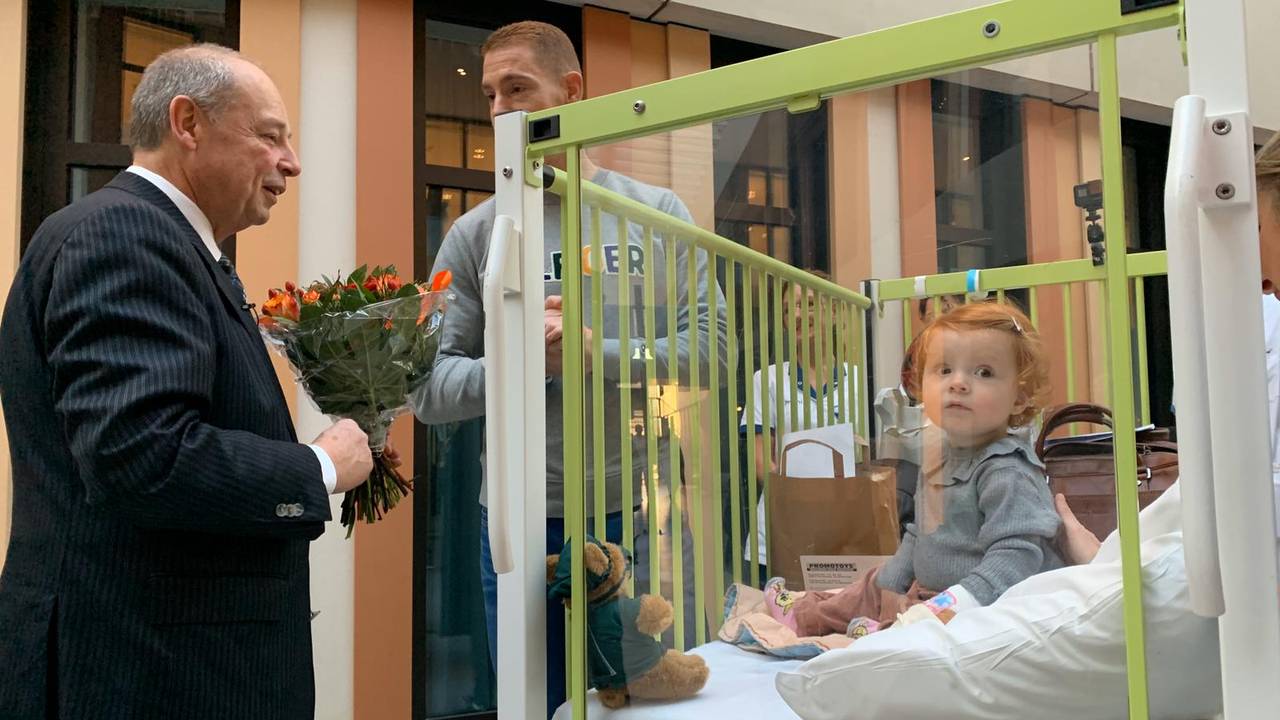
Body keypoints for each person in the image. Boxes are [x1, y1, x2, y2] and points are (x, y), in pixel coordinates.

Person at [0, 45, 376, 720]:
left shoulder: (159, 241)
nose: (291, 162)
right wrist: (318, 467)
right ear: (188, 123)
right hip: (147, 673)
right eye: (270, 136)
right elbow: (145, 456)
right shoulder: (125, 237)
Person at [408, 21, 726, 717]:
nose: (498, 109)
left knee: (638, 703)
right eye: (490, 94)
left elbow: (711, 352)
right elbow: (428, 389)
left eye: (517, 89)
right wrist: (527, 368)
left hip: (636, 522)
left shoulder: (656, 214)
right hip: (520, 529)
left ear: (571, 93)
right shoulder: (474, 234)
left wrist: (594, 357)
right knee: (539, 707)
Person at [763, 301, 1063, 637]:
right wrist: (887, 587)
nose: (958, 383)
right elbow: (920, 536)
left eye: (984, 373)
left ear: (1019, 398)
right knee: (871, 583)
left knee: (919, 621)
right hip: (927, 591)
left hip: (984, 606)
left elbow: (1017, 558)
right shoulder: (938, 460)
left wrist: (949, 605)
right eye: (944, 370)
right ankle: (805, 615)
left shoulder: (1007, 471)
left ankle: (882, 631)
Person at [736, 269, 858, 576]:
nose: (800, 315)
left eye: (811, 304)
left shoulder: (857, 380)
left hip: (841, 534)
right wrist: (803, 499)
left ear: (833, 311)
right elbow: (762, 460)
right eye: (790, 310)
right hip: (779, 534)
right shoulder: (769, 380)